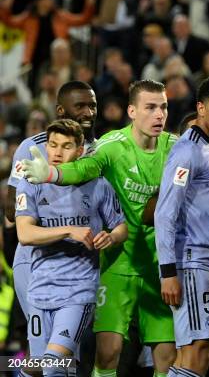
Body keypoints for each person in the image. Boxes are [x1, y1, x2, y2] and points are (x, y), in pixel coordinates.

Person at [21, 80, 178, 377]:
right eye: (151, 107)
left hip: (158, 265)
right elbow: (82, 168)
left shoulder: (176, 148)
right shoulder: (111, 146)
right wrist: (52, 173)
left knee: (167, 356)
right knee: (105, 354)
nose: (159, 115)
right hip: (116, 266)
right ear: (132, 111)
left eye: (164, 107)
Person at [15, 119, 127, 375]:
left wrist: (111, 237)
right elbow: (25, 233)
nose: (57, 152)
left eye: (66, 146)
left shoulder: (98, 185)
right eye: (53, 145)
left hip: (78, 291)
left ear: (79, 151)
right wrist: (68, 231)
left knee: (54, 362)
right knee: (38, 368)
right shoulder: (31, 183)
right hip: (39, 289)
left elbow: (121, 227)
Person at [155, 76, 209, 377]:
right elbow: (165, 213)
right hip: (192, 263)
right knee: (197, 350)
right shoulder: (187, 150)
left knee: (196, 352)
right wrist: (168, 272)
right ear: (201, 108)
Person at [6, 81, 98, 346]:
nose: (89, 113)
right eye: (80, 106)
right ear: (60, 110)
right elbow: (12, 210)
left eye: (92, 106)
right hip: (34, 263)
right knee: (45, 353)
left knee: (68, 355)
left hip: (81, 266)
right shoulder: (32, 148)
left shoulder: (103, 151)